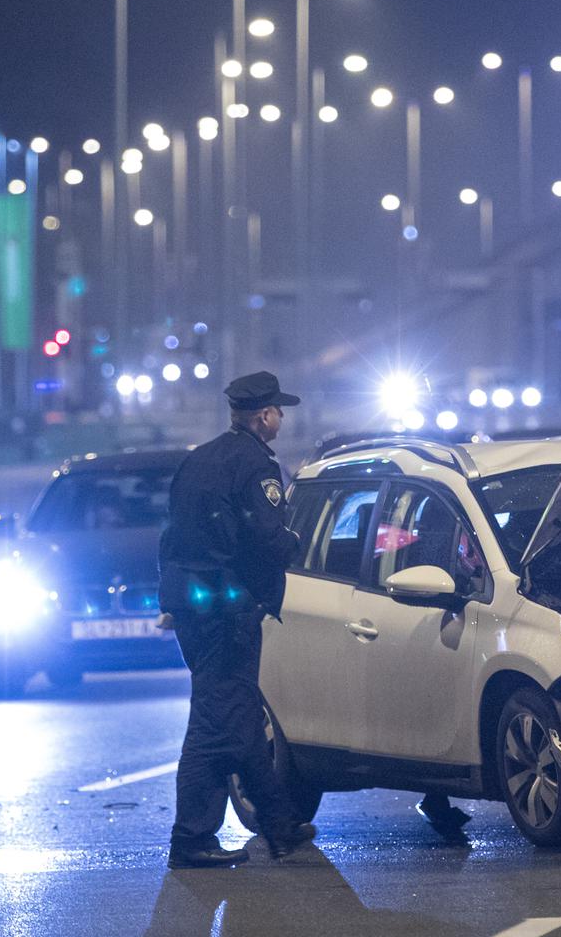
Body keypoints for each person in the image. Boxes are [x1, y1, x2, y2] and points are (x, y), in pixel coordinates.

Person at [158, 371, 315, 868]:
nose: (282, 419)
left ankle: (280, 824)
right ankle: (191, 838)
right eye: (279, 412)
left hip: (193, 606)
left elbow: (174, 535)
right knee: (213, 724)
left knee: (239, 717)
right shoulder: (255, 466)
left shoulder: (198, 459)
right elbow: (269, 538)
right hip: (226, 613)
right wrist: (297, 543)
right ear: (264, 416)